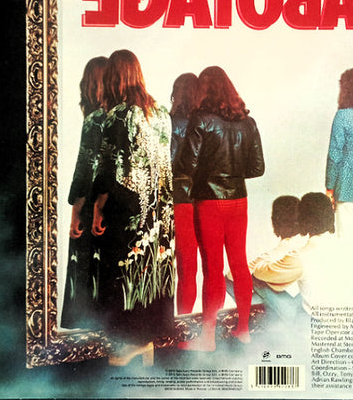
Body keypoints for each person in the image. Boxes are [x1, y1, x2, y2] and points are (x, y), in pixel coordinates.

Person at [91, 49, 175, 366]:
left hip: (127, 208)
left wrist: (98, 207)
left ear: (114, 77)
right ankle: (147, 340)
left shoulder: (117, 115)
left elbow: (106, 169)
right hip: (159, 210)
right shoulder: (161, 113)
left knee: (124, 272)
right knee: (151, 271)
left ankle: (129, 344)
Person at [178, 66, 265, 351]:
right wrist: (232, 172)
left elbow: (187, 165)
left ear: (205, 89)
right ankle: (243, 330)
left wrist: (208, 172)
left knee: (213, 270)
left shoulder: (200, 120)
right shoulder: (248, 122)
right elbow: (257, 168)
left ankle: (207, 338)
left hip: (209, 202)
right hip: (239, 200)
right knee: (239, 263)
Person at [61, 56, 108, 330]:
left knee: (84, 266)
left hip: (91, 202)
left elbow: (84, 169)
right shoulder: (120, 116)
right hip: (112, 202)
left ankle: (84, 329)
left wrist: (75, 212)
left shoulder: (94, 120)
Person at [249, 192, 343, 319]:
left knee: (256, 278)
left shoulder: (301, 256)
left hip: (315, 322)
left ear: (302, 221)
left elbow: (260, 272)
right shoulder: (344, 245)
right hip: (342, 318)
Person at [246, 195, 306, 323]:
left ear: (275, 221)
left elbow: (234, 277)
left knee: (253, 279)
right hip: (309, 307)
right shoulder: (307, 243)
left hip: (293, 315)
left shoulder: (277, 251)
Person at [325, 67, 353, 239]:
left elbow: (334, 156)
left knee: (347, 241)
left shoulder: (342, 116)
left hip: (346, 187)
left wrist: (329, 189)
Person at [170, 73, 200, 315]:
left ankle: (173, 322)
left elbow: (168, 162)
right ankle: (188, 321)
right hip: (204, 198)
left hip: (178, 198)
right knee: (195, 268)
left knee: (177, 266)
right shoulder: (207, 123)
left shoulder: (169, 123)